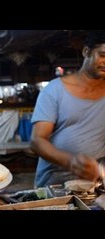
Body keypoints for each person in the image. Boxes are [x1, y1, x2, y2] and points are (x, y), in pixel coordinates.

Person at [30, 31, 105, 187]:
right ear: (86, 51)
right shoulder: (54, 90)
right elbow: (37, 141)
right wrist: (71, 162)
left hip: (97, 180)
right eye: (102, 55)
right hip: (55, 181)